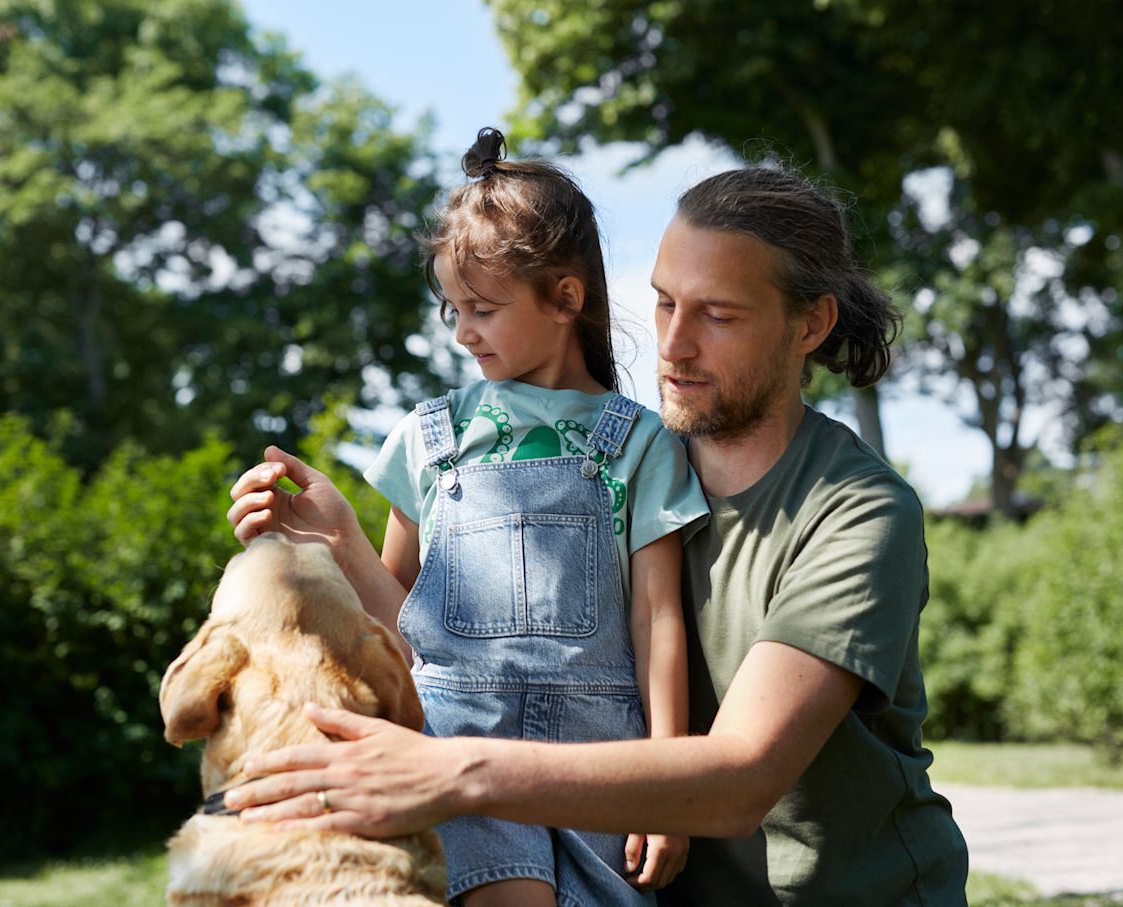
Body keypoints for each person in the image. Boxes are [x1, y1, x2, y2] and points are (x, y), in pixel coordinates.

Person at [224, 161, 971, 905]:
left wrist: (449, 772)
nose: (673, 345)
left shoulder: (855, 513)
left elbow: (741, 778)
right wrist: (336, 546)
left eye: (718, 314)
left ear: (811, 324)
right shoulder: (613, 458)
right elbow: (433, 643)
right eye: (665, 302)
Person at [260, 127, 708, 907]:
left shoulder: (640, 442)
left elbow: (657, 621)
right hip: (452, 745)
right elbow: (404, 640)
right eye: (453, 309)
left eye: (485, 309)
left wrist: (668, 783)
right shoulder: (427, 440)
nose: (464, 331)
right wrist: (339, 538)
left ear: (566, 298)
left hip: (601, 765)